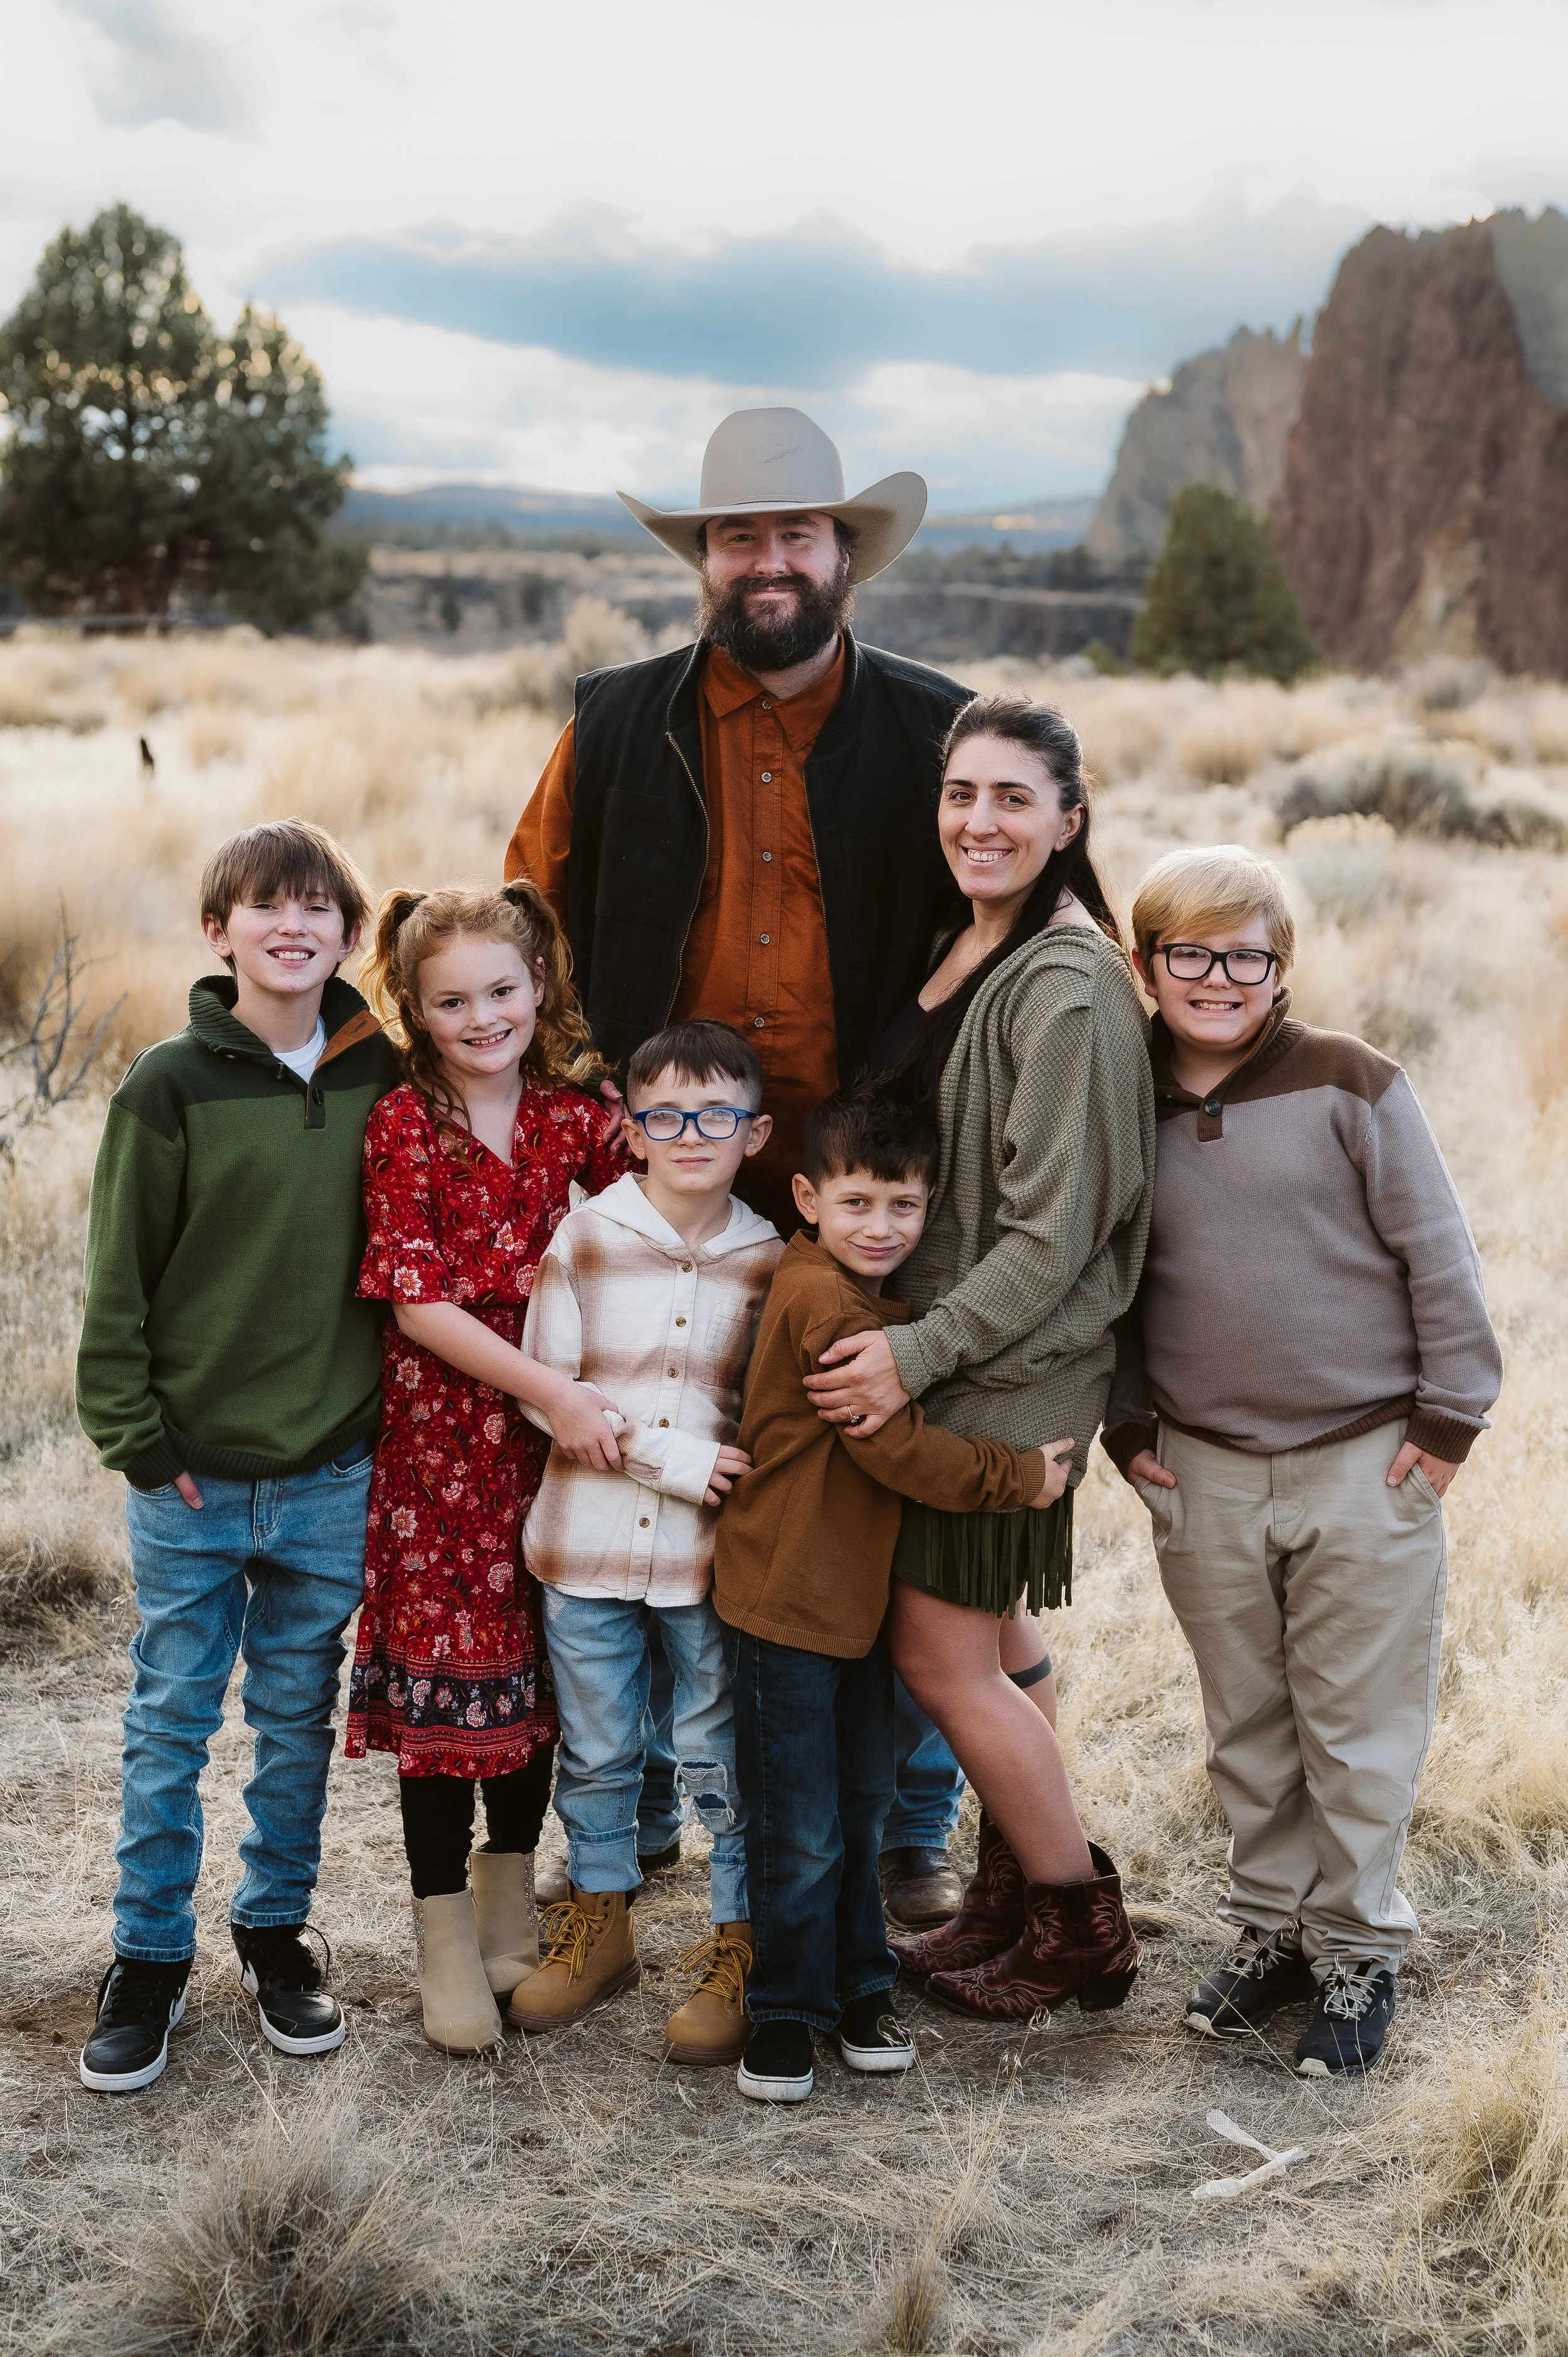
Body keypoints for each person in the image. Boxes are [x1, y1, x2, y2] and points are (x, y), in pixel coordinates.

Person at [506, 404, 980, 1900]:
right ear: (701, 558)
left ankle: (902, 1829)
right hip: (660, 1187)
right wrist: (579, 1110)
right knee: (644, 1476)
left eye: (793, 534)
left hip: (865, 1199)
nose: (763, 561)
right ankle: (643, 1812)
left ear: (844, 555)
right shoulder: (614, 718)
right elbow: (527, 921)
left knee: (879, 1492)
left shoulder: (938, 729)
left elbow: (1025, 922)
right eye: (735, 537)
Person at [1101, 844, 1502, 2078]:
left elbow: (1436, 1256)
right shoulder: (1121, 1100)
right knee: (1248, 1719)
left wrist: (1441, 1430)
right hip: (1201, 1464)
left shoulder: (1351, 1084)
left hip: (1361, 1454)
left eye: (1246, 956)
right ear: (1143, 962)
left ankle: (1352, 1948)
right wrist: (1127, 1423)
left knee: (1354, 1719)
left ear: (1281, 968)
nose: (1217, 979)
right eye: (1189, 953)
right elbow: (1101, 1274)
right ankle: (1270, 1927)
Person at [804, 695, 1155, 2020]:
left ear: (1070, 819)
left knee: (939, 1658)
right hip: (964, 1363)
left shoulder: (1063, 987)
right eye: (961, 794)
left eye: (1014, 797)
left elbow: (1049, 1236)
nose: (980, 820)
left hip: (1007, 1379)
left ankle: (1077, 1927)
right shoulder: (972, 946)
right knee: (998, 1636)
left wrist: (912, 1354)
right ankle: (1007, 1899)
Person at [74, 820, 401, 2094]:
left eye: (319, 907)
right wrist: (141, 1444)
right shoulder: (170, 1081)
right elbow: (118, 1285)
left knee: (293, 1719)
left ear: (348, 935)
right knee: (170, 1716)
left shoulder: (386, 1075)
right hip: (195, 1473)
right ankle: (146, 1956)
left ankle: (274, 1933)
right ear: (220, 932)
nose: (293, 926)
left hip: (329, 1466)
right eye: (266, 906)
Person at [716, 1086, 1073, 2104]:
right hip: (787, 1604)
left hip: (865, 1606)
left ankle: (862, 1986)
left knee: (861, 1808)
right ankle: (786, 2012)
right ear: (807, 1199)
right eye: (859, 1203)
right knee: (800, 1825)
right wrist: (1020, 1478)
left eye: (905, 1208)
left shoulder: (879, 1301)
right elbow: (891, 1448)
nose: (882, 1228)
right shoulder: (822, 1302)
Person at [346, 883, 626, 2055]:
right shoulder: (405, 1123)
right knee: (449, 1688)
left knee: (540, 1679)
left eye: (502, 991)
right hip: (447, 1440)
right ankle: (444, 1934)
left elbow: (668, 1211)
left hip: (556, 1443)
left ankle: (515, 1902)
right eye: (451, 999)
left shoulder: (579, 1118)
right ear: (413, 1006)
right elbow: (416, 1305)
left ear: (540, 987)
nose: (482, 1016)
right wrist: (552, 1391)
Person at [511, 1020, 782, 2063]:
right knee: (602, 1746)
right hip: (582, 1549)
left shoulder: (767, 1261)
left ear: (755, 1134)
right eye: (664, 1115)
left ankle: (738, 1938)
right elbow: (555, 1398)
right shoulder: (585, 1239)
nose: (691, 1134)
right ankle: (602, 1923)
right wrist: (670, 1459)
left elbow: (758, 1424)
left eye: (716, 1115)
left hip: (703, 1563)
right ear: (629, 1129)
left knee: (717, 1747)